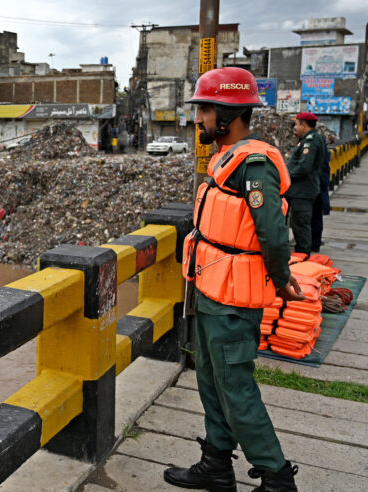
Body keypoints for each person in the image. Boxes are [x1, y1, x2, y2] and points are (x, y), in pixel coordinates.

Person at [164, 67, 304, 492]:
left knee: (236, 386)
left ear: (226, 114)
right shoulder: (227, 156)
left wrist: (282, 280)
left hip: (233, 300)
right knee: (210, 380)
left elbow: (273, 234)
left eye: (204, 110)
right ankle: (216, 464)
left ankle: (277, 477)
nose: (199, 119)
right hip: (211, 290)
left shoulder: (254, 164)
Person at [286, 112, 325, 255]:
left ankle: (303, 255)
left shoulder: (311, 141)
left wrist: (285, 175)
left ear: (303, 124)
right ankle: (302, 252)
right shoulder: (309, 139)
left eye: (297, 124)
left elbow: (304, 167)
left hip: (302, 191)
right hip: (300, 190)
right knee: (298, 223)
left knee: (300, 224)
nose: (295, 127)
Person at [311, 132, 333, 252]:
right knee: (316, 216)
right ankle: (315, 243)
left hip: (316, 185)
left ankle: (313, 244)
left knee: (314, 216)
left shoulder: (314, 142)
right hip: (320, 184)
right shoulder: (321, 141)